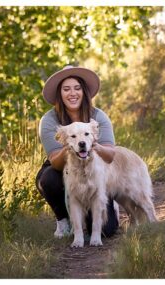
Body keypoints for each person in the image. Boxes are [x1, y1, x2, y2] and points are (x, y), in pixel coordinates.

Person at [34, 65, 119, 238]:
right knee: (47, 178)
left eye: (77, 88)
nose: (72, 93)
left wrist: (94, 144)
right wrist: (68, 145)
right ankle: (63, 221)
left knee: (106, 230)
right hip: (62, 166)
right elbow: (55, 162)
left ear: (84, 91)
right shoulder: (49, 120)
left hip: (95, 167)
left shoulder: (98, 116)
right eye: (66, 89)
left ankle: (106, 205)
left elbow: (110, 156)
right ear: (60, 94)